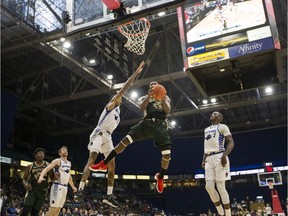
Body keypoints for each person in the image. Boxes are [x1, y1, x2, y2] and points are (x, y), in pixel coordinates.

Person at [74, 61, 145, 207]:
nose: (120, 97)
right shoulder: (111, 105)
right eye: (118, 96)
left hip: (108, 136)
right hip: (98, 133)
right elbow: (125, 88)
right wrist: (135, 74)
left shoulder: (118, 112)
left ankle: (109, 194)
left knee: (112, 163)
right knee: (92, 158)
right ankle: (80, 190)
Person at [89, 80, 172, 194]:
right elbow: (142, 108)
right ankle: (104, 163)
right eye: (151, 85)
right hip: (146, 123)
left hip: (160, 125)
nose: (153, 86)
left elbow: (167, 111)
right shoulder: (144, 97)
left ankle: (161, 177)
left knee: (167, 156)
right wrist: (149, 96)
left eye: (155, 84)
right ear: (149, 87)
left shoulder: (165, 97)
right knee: (125, 141)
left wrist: (161, 98)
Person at [201, 111, 234, 216]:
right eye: (212, 113)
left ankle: (228, 213)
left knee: (220, 186)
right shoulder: (206, 129)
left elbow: (231, 142)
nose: (212, 114)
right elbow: (206, 147)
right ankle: (220, 211)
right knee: (209, 187)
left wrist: (224, 155)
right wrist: (203, 160)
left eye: (215, 114)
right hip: (208, 158)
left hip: (219, 156)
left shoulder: (222, 127)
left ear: (219, 118)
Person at [38, 146, 77, 216]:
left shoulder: (69, 163)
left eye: (66, 150)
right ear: (60, 153)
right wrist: (41, 176)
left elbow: (69, 176)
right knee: (53, 209)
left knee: (58, 210)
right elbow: (46, 169)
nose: (65, 151)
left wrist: (73, 186)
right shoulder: (57, 161)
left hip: (65, 188)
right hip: (57, 186)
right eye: (63, 150)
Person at [20, 148, 54, 216]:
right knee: (26, 210)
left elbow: (53, 178)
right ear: (35, 156)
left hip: (42, 192)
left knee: (35, 213)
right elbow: (24, 179)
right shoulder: (30, 166)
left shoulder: (48, 165)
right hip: (32, 190)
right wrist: (25, 185)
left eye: (43, 153)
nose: (41, 154)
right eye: (39, 153)